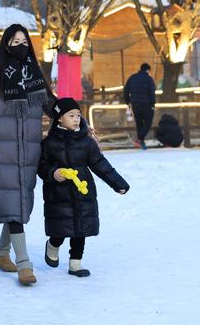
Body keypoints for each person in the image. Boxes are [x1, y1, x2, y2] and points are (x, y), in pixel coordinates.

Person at [0, 24, 55, 286]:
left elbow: (51, 105)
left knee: (18, 204)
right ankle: (24, 265)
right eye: (15, 41)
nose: (21, 46)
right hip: (0, 151)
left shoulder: (34, 75)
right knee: (14, 206)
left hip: (29, 151)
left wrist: (79, 122)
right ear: (6, 44)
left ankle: (0, 253)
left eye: (24, 41)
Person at [39, 97, 129, 277]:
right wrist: (53, 173)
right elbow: (41, 165)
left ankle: (75, 263)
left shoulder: (86, 142)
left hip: (82, 191)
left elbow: (100, 164)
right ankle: (53, 245)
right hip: (58, 194)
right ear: (59, 119)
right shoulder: (49, 143)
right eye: (71, 115)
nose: (76, 119)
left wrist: (118, 183)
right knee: (61, 229)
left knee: (81, 228)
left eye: (78, 115)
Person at [124, 63, 156, 150]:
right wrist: (153, 104)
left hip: (135, 104)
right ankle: (140, 139)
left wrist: (127, 101)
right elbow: (152, 93)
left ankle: (141, 142)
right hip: (146, 104)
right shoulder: (149, 79)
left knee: (139, 124)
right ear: (147, 70)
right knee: (148, 123)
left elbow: (126, 90)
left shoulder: (132, 78)